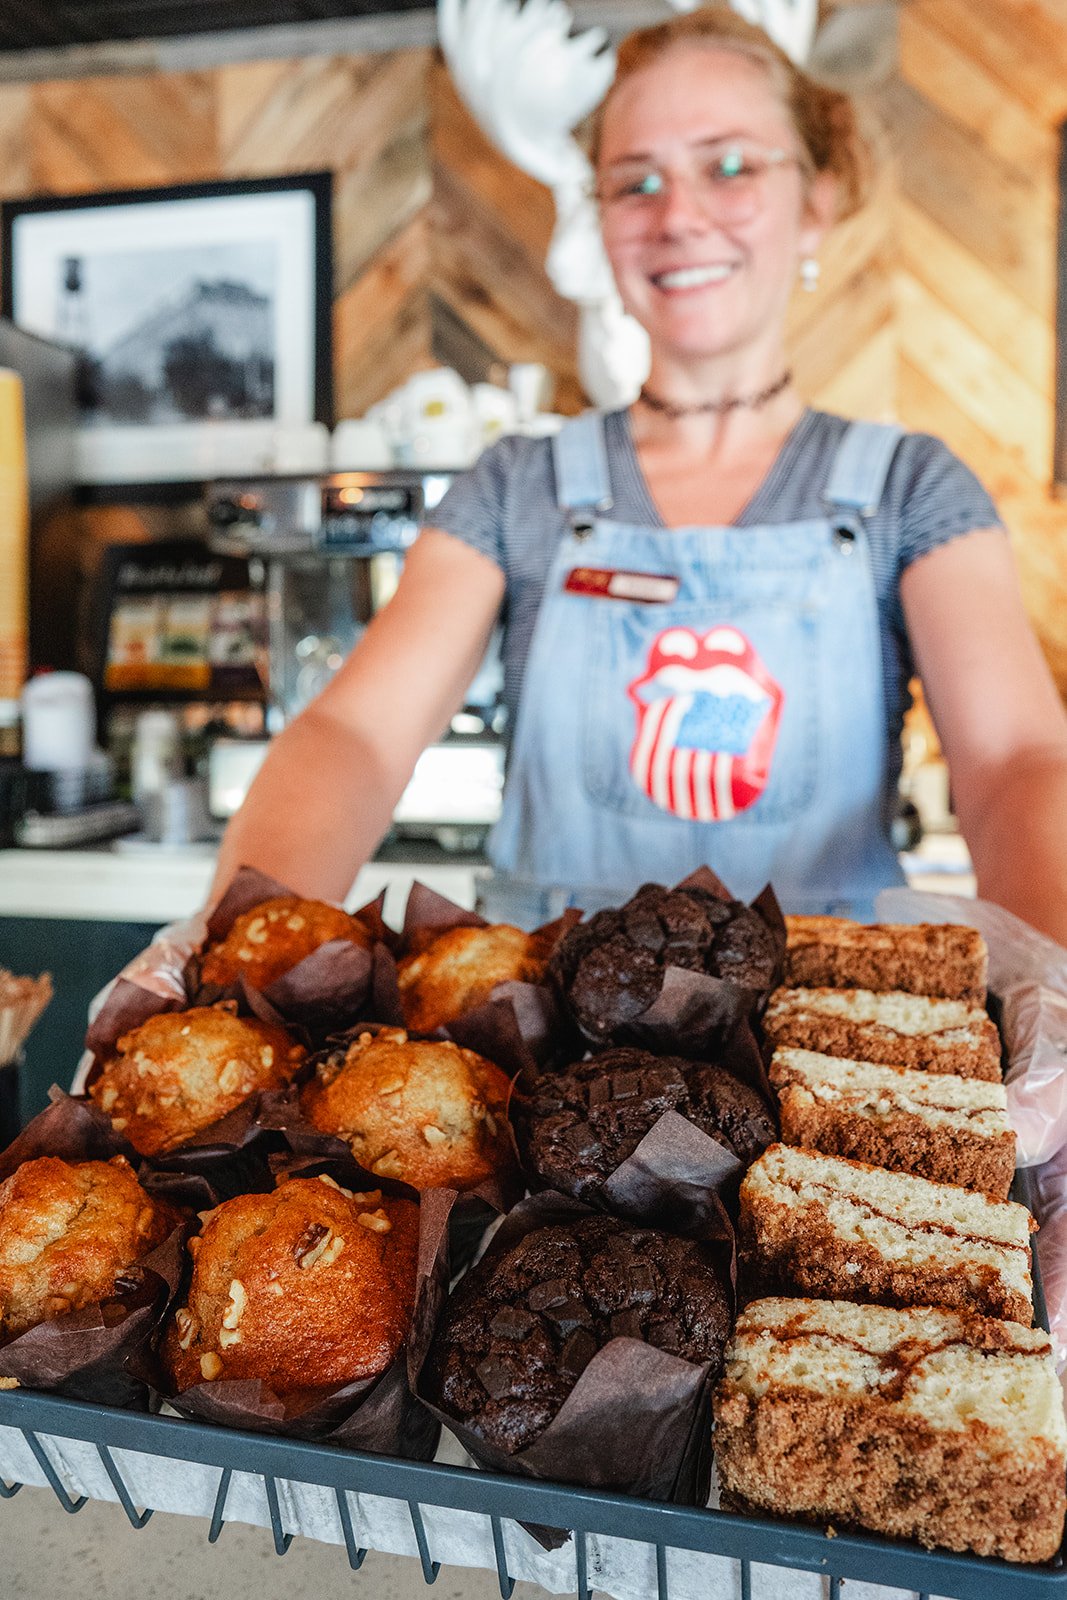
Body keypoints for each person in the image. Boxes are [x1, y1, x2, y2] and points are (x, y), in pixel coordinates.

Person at [212, 5, 1067, 941]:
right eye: (635, 184)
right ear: (601, 217)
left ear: (816, 200)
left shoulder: (910, 489)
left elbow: (1016, 764)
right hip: (543, 1057)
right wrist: (234, 948)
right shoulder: (517, 487)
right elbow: (357, 740)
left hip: (829, 1057)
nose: (679, 216)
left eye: (730, 166)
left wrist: (1050, 995)